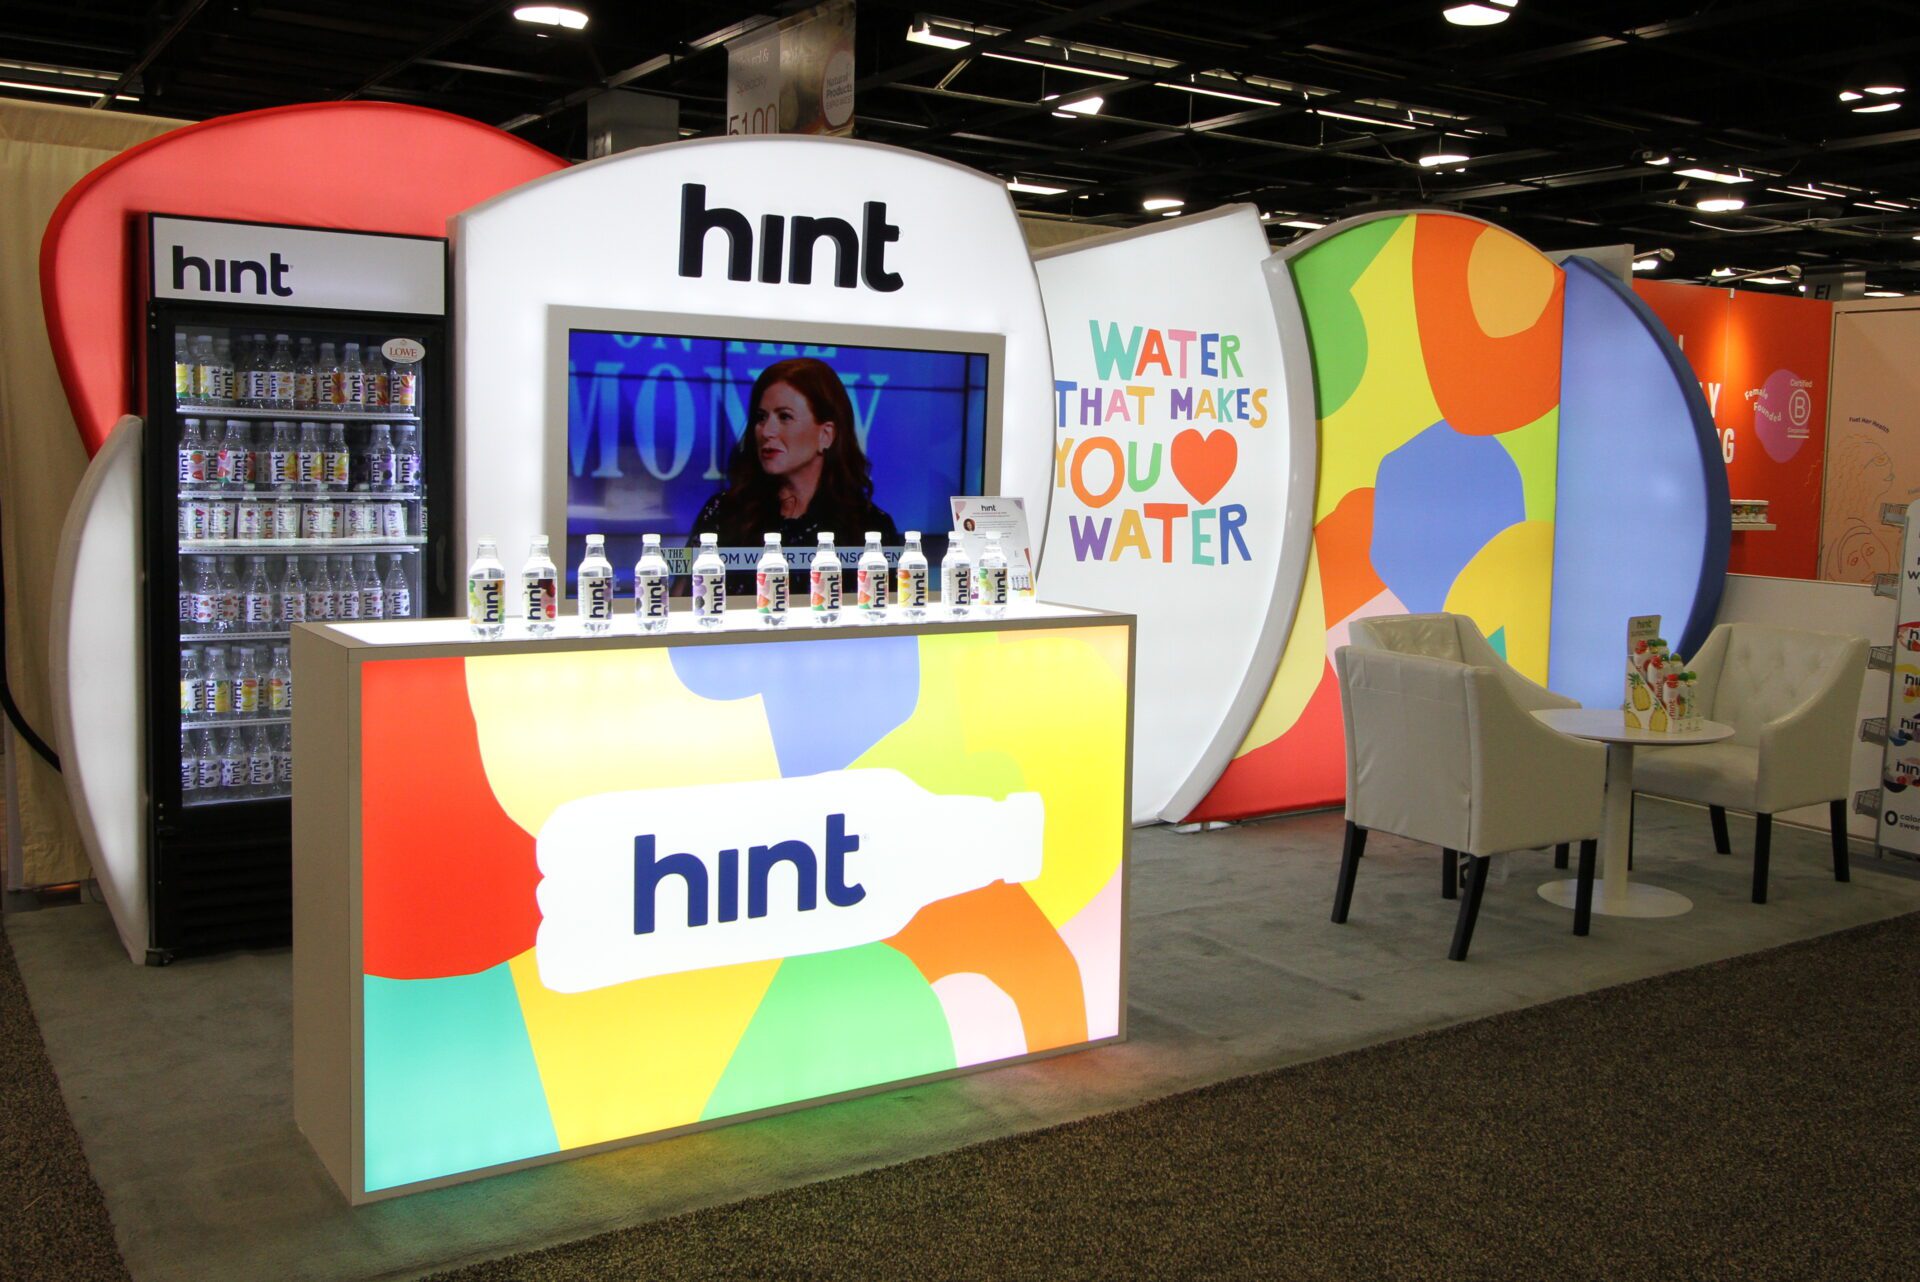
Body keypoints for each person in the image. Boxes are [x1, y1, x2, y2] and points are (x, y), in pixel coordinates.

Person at [689, 357, 900, 593]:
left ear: (826, 435)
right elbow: (684, 607)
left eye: (784, 417)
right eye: (761, 417)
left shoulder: (870, 527)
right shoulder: (724, 513)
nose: (766, 431)